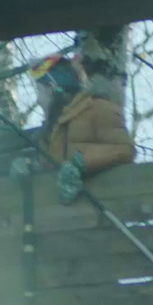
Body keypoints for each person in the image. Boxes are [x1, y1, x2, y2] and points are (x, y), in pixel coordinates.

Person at [28, 53, 136, 203]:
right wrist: (29, 171)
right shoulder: (49, 133)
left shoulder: (98, 109)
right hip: (59, 220)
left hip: (100, 214)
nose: (38, 100)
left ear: (52, 87)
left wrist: (81, 162)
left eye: (39, 91)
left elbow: (125, 150)